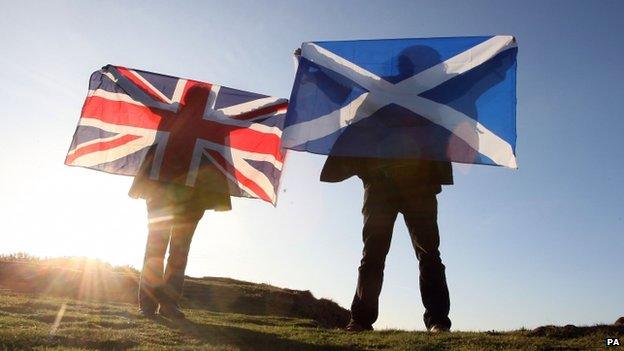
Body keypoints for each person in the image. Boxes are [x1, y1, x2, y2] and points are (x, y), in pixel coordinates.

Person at [321, 156, 453, 332]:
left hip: (419, 183)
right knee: (373, 254)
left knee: (428, 253)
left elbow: (438, 135)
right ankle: (360, 321)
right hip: (379, 183)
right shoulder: (369, 127)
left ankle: (438, 321)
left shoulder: (425, 127)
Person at [130, 145, 231, 320]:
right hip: (161, 188)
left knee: (179, 251)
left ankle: (169, 305)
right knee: (156, 248)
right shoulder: (172, 118)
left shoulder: (211, 120)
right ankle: (148, 304)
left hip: (193, 195)